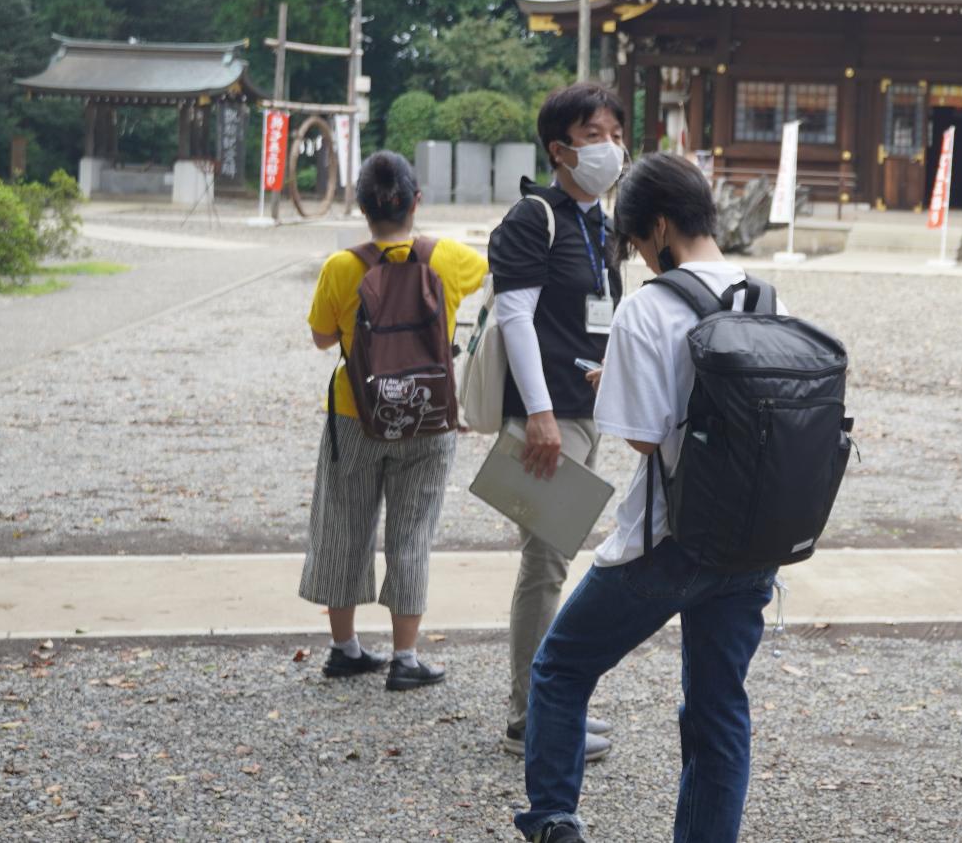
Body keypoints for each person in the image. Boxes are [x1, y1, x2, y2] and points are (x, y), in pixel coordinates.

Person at [516, 153, 782, 843]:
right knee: (718, 709)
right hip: (751, 542)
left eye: (636, 242)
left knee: (560, 667)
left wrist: (616, 382)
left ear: (659, 225)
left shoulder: (649, 306)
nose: (638, 256)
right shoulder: (766, 295)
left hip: (665, 542)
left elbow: (641, 440)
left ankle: (554, 821)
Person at [300, 152, 486, 690]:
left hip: (356, 414)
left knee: (343, 526)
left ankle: (344, 649)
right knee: (412, 535)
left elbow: (319, 338)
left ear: (361, 207)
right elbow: (495, 278)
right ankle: (405, 659)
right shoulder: (448, 259)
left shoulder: (342, 267)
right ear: (416, 201)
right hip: (429, 419)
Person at [487, 82, 628, 761]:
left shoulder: (601, 223)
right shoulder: (533, 217)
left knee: (556, 559)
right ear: (560, 149)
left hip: (587, 412)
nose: (610, 146)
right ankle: (531, 716)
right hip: (550, 418)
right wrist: (539, 414)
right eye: (595, 134)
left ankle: (552, 704)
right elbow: (515, 316)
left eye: (613, 132)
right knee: (543, 562)